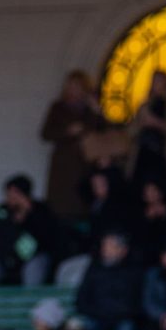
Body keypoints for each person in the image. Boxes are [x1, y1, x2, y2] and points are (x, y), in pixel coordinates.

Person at [40, 71, 108, 221]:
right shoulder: (58, 108)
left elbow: (105, 132)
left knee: (84, 203)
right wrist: (67, 131)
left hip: (85, 163)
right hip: (63, 166)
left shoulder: (90, 108)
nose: (73, 90)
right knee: (62, 206)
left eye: (77, 86)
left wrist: (97, 110)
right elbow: (46, 133)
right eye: (71, 86)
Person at [0, 176, 64, 288]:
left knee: (34, 267)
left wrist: (28, 213)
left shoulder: (41, 210)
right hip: (5, 257)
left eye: (15, 194)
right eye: (8, 194)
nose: (10, 198)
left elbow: (48, 238)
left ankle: (29, 303)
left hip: (33, 258)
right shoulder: (2, 210)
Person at [75, 231, 144, 330]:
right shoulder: (94, 270)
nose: (105, 250)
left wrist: (117, 313)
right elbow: (82, 299)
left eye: (110, 246)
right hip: (97, 316)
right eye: (104, 246)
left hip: (122, 317)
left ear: (123, 250)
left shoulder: (133, 272)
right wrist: (97, 313)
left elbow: (136, 302)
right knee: (86, 327)